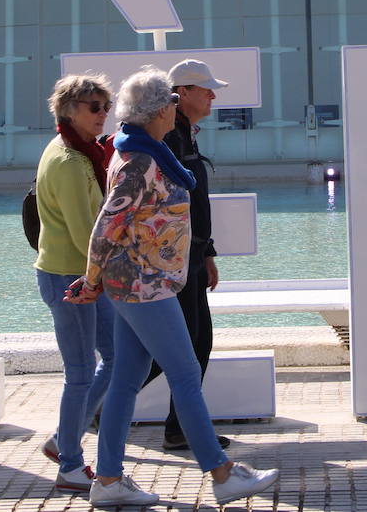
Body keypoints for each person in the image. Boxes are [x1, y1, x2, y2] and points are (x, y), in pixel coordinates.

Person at [64, 68, 277, 508]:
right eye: (173, 104)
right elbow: (106, 227)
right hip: (144, 286)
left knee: (126, 379)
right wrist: (91, 281)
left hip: (142, 281)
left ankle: (107, 480)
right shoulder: (139, 162)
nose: (175, 110)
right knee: (183, 373)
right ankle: (221, 474)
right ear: (161, 109)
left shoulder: (145, 152)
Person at [34, 73, 117, 492]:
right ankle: (69, 462)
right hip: (72, 277)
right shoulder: (69, 161)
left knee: (116, 356)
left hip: (82, 274)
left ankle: (64, 439)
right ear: (69, 110)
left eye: (106, 106)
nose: (104, 114)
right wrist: (101, 278)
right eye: (94, 107)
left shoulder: (81, 152)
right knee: (82, 372)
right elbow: (87, 230)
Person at [142, 57, 229, 451]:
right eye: (206, 88)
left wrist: (206, 253)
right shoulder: (170, 137)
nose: (213, 95)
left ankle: (176, 427)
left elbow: (194, 203)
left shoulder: (185, 134)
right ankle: (178, 429)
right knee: (186, 346)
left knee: (193, 343)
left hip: (190, 258)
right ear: (183, 94)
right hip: (175, 261)